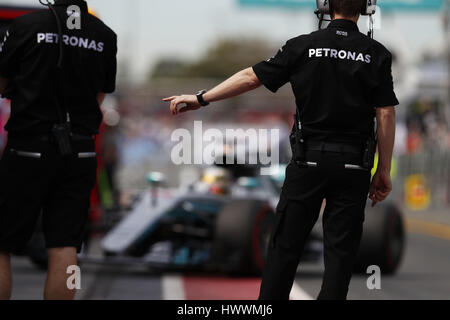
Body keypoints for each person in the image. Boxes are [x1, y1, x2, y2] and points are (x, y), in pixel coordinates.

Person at [164, 0, 398, 300]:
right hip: (353, 166)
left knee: (284, 249)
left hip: (307, 163)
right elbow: (386, 113)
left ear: (326, 6)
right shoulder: (377, 54)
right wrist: (384, 169)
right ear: (366, 8)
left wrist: (201, 98)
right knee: (340, 256)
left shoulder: (302, 46)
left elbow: (251, 78)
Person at [0, 0, 117, 300]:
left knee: (2, 245)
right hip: (80, 150)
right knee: (65, 245)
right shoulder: (105, 35)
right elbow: (99, 96)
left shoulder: (26, 25)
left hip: (27, 146)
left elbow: (3, 82)